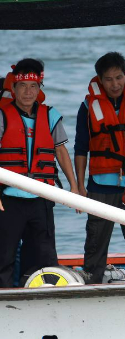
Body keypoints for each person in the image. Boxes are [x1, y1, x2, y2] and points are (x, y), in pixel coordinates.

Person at [0, 59, 82, 288]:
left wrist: (74, 188)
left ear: (40, 88)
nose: (28, 92)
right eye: (23, 86)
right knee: (3, 257)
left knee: (44, 257)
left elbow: (61, 151)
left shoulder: (51, 115)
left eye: (33, 86)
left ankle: (40, 300)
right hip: (8, 199)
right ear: (13, 88)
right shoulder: (2, 115)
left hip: (42, 198)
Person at [75, 52, 125, 284]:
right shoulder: (87, 107)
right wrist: (78, 186)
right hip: (100, 186)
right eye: (109, 79)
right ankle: (92, 286)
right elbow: (80, 149)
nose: (115, 84)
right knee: (95, 243)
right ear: (99, 79)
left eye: (119, 77)